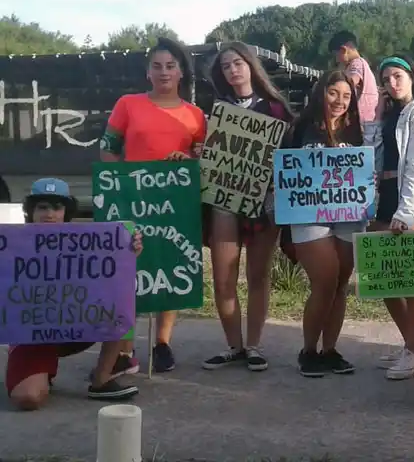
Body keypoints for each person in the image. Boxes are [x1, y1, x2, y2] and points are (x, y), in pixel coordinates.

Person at [100, 37, 207, 373]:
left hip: (176, 204)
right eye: (157, 66)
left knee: (170, 265)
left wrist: (189, 161)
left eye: (170, 66)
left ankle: (162, 343)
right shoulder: (127, 104)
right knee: (128, 271)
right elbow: (108, 148)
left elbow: (201, 162)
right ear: (148, 72)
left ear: (181, 72)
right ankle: (124, 348)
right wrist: (119, 186)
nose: (164, 72)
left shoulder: (196, 115)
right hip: (133, 199)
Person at [5, 178, 142, 410]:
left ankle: (101, 379)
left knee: (120, 293)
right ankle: (40, 371)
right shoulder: (12, 243)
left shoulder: (84, 243)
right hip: (30, 333)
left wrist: (127, 253)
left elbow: (112, 277)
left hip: (73, 327)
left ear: (66, 212)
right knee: (28, 399)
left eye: (57, 207)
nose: (50, 214)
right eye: (43, 207)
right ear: (31, 211)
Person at [201, 41, 296, 372]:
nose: (232, 70)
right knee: (223, 278)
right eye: (226, 66)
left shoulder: (276, 109)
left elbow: (291, 155)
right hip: (224, 199)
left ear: (251, 65)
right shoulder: (216, 110)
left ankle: (254, 345)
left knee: (258, 275)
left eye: (237, 63)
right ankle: (233, 346)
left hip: (264, 201)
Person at [284, 70, 365, 378]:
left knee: (341, 283)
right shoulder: (299, 127)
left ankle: (329, 350)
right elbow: (282, 166)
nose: (339, 101)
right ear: (321, 92)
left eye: (346, 96)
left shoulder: (356, 131)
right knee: (325, 280)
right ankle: (308, 350)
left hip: (349, 214)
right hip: (307, 214)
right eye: (334, 93)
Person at [371, 54, 414, 380]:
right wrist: (378, 114)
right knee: (384, 280)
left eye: (397, 76)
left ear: (411, 77)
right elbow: (372, 153)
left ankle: (412, 352)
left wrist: (407, 212)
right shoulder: (391, 113)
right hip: (384, 196)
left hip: (408, 199)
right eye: (386, 79)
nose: (392, 84)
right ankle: (410, 345)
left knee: (410, 282)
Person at [328, 30, 381, 124]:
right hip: (367, 119)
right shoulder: (362, 64)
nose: (337, 60)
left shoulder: (357, 63)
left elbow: (352, 81)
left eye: (336, 56)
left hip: (362, 120)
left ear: (343, 50)